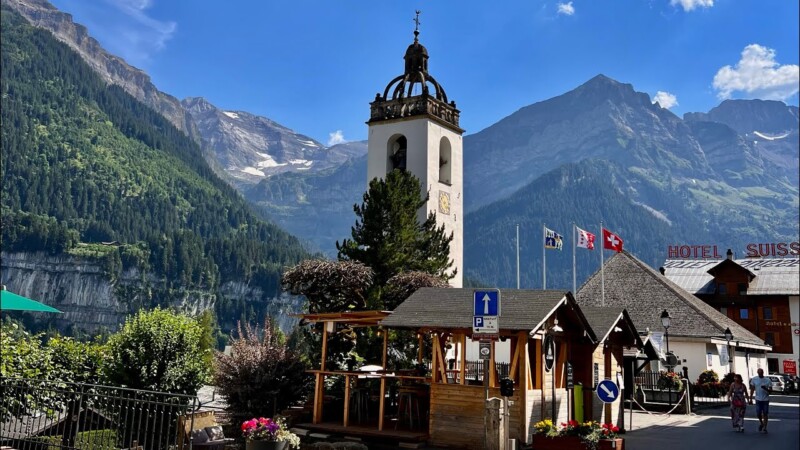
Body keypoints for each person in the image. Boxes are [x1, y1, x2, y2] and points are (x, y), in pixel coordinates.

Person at [749, 368, 772, 433]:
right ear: (757, 373)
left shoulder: (767, 380)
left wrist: (765, 388)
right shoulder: (754, 379)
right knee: (758, 413)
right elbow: (752, 389)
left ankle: (765, 427)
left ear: (763, 372)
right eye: (759, 373)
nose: (760, 374)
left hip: (765, 399)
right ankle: (761, 423)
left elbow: (770, 391)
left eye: (761, 372)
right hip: (758, 399)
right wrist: (750, 398)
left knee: (765, 413)